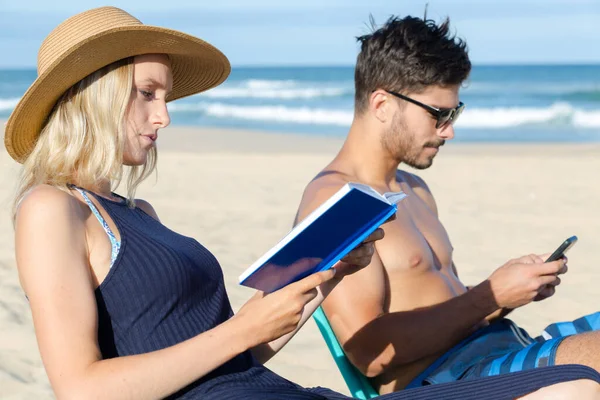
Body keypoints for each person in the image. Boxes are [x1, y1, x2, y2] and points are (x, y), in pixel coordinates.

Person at [6, 6, 599, 400]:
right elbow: (79, 388)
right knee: (577, 385)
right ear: (92, 95)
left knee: (576, 379)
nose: (163, 115)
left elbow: (234, 351)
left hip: (274, 389)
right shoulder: (52, 209)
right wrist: (241, 333)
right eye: (147, 94)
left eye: (165, 96)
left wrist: (330, 273)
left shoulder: (140, 216)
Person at [293, 13, 600, 398]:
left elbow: (448, 308)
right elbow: (369, 352)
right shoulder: (336, 201)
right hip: (447, 381)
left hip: (500, 351)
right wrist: (490, 296)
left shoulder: (414, 189)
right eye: (438, 114)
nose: (449, 130)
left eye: (454, 113)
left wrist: (508, 292)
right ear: (383, 104)